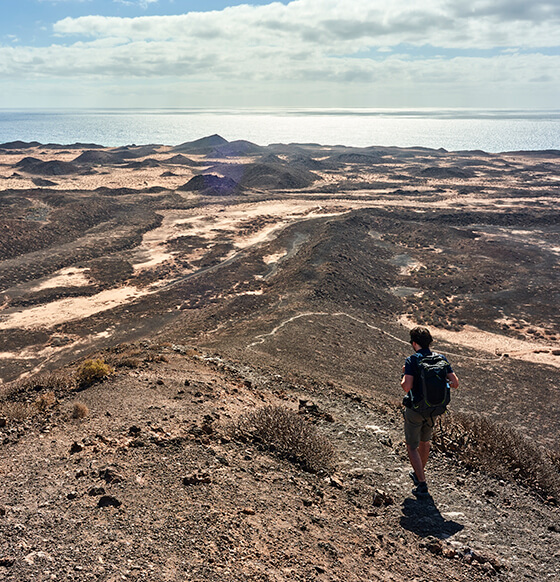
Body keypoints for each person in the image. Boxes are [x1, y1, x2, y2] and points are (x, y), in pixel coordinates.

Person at [400, 326, 459, 497]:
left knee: (412, 446)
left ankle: (422, 482)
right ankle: (420, 475)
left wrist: (404, 375)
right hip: (434, 410)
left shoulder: (412, 360)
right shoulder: (441, 358)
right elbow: (455, 382)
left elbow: (406, 387)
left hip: (415, 409)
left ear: (414, 343)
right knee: (425, 443)